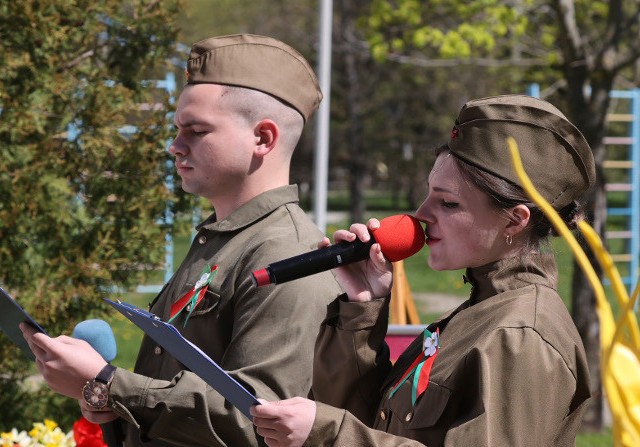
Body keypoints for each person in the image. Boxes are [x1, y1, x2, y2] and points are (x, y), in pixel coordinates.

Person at [21, 34, 343, 447]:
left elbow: (259, 423)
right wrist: (108, 400)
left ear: (263, 138)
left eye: (196, 130)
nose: (175, 146)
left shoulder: (288, 255)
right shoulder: (223, 239)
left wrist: (108, 382)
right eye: (178, 130)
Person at [250, 94, 595, 446]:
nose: (422, 214)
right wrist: (362, 310)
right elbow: (373, 421)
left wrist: (330, 433)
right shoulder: (480, 313)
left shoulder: (520, 336)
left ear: (514, 220)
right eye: (428, 194)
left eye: (448, 202)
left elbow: (348, 430)